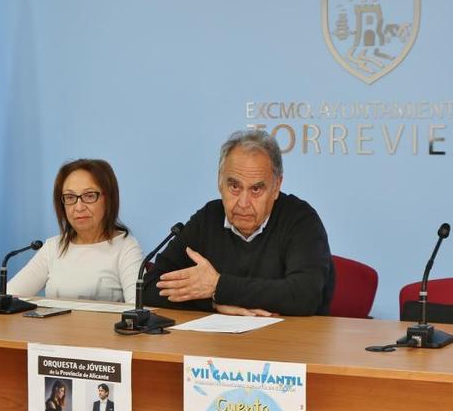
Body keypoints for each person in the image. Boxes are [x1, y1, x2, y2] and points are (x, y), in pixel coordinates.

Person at [142, 130, 334, 316]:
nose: (243, 203)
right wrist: (214, 302)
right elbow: (149, 287)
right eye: (234, 186)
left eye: (256, 189)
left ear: (276, 186)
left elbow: (304, 295)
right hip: (220, 345)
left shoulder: (300, 219)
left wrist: (218, 287)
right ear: (219, 182)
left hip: (290, 343)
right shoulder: (209, 218)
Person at [8, 159, 143, 302]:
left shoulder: (126, 247)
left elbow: (137, 310)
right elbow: (8, 296)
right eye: (70, 197)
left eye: (89, 196)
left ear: (109, 199)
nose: (79, 207)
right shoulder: (53, 247)